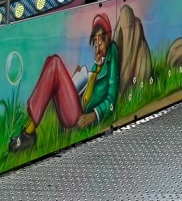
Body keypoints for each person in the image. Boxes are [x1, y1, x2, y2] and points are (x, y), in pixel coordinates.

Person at [8, 13, 119, 152]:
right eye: (95, 44)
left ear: (107, 38)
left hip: (80, 116)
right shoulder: (99, 64)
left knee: (54, 62)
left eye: (100, 42)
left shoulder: (112, 53)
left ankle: (28, 133)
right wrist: (88, 72)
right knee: (50, 61)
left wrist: (94, 115)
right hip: (77, 105)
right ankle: (29, 131)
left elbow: (111, 99)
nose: (97, 48)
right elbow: (88, 91)